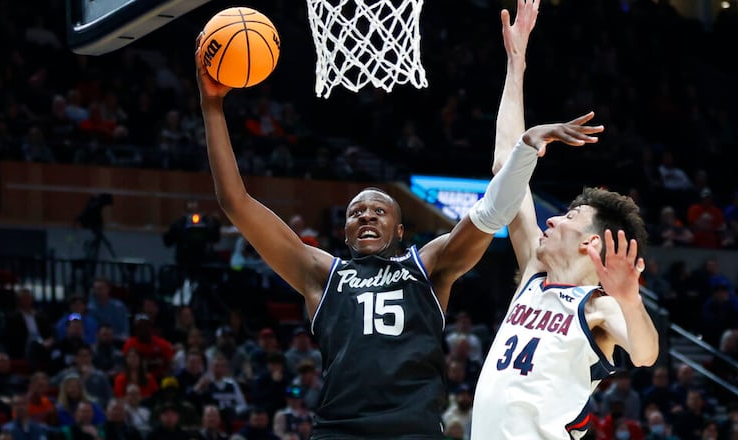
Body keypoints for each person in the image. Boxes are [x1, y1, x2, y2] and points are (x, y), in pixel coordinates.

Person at [194, 2, 599, 436]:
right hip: (339, 431)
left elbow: (491, 212)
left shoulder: (426, 266)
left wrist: (522, 151)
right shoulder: (319, 273)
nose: (366, 215)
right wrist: (212, 106)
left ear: (400, 230)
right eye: (356, 212)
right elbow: (235, 202)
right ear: (344, 230)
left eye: (379, 210)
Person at [469, 1, 659, 439]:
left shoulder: (598, 307)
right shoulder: (534, 276)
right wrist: (515, 65)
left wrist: (630, 300)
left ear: (593, 245)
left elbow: (646, 354)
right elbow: (505, 167)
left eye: (569, 216)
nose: (551, 222)